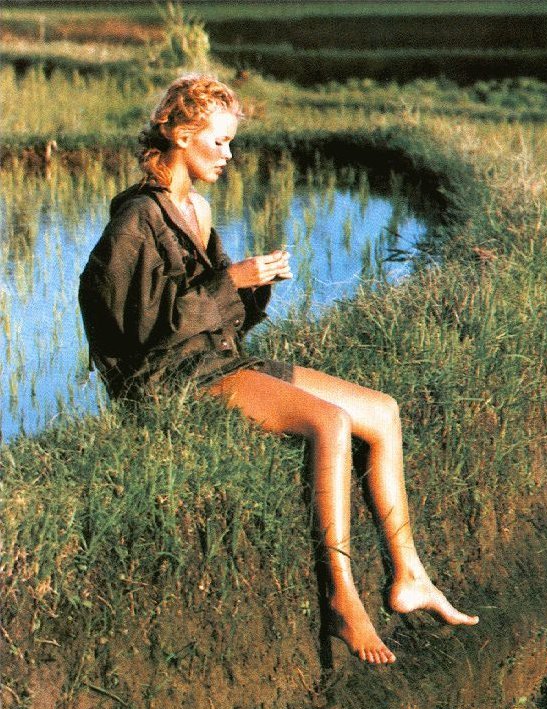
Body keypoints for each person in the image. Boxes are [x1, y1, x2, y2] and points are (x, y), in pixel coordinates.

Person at [79, 74, 478, 665]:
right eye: (219, 142)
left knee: (383, 412)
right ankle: (342, 597)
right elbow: (140, 330)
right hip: (170, 378)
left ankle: (410, 574)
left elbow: (219, 317)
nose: (228, 154)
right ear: (182, 137)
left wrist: (254, 283)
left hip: (216, 358)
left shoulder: (197, 209)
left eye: (231, 142)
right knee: (330, 423)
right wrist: (231, 280)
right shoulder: (136, 218)